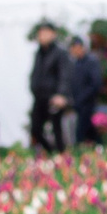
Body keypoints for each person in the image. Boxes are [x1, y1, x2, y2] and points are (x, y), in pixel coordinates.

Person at [27, 23, 66, 152]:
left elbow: (64, 75)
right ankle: (50, 152)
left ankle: (60, 155)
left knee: (56, 129)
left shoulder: (59, 53)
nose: (42, 36)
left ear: (53, 34)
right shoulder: (39, 53)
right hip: (39, 96)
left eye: (45, 32)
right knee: (35, 129)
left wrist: (61, 94)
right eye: (40, 33)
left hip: (53, 96)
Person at [61, 34, 105, 149]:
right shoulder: (75, 63)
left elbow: (95, 83)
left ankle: (79, 150)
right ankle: (100, 146)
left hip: (87, 102)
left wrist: (83, 97)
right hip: (78, 103)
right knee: (88, 129)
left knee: (81, 131)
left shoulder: (91, 61)